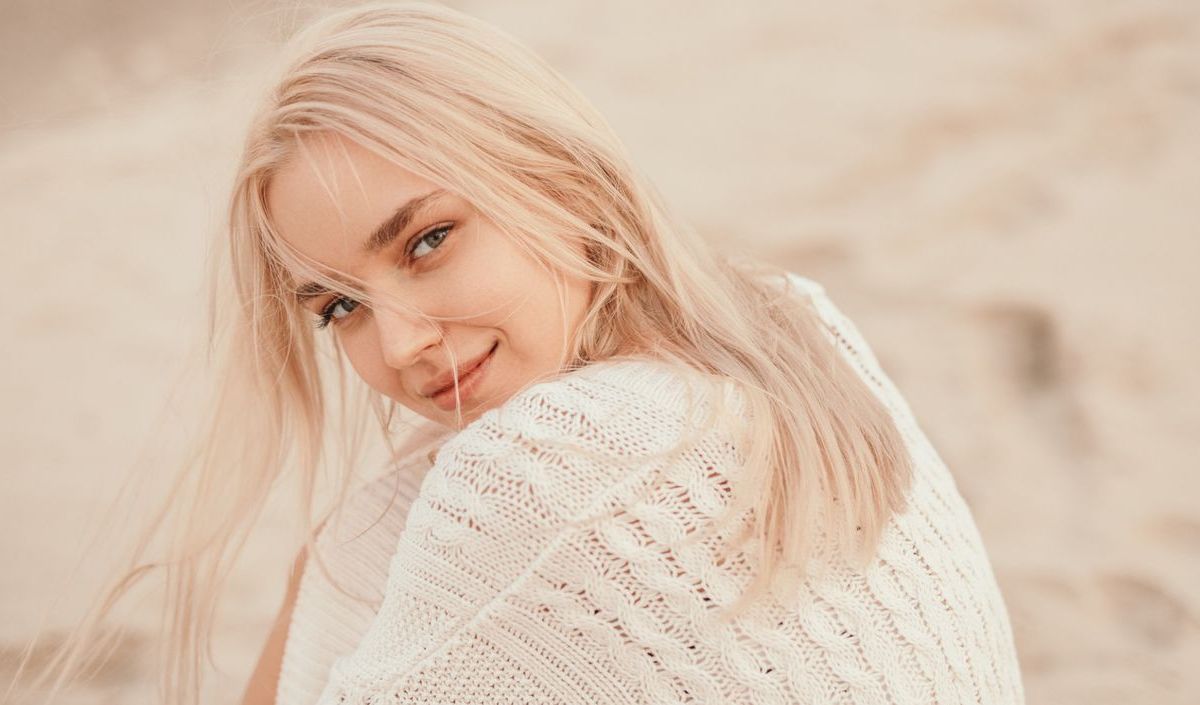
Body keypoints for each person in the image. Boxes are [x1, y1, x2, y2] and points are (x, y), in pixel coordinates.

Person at [19, 2, 1025, 704]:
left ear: (566, 187)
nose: (402, 343)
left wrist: (320, 571)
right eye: (338, 307)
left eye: (427, 240)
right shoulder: (795, 329)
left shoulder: (543, 472)